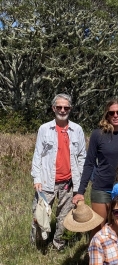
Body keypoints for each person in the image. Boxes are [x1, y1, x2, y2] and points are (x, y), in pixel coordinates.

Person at [73, 99, 118, 238]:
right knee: (99, 228)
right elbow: (89, 163)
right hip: (101, 187)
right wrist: (81, 191)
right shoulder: (98, 134)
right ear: (107, 115)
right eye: (112, 113)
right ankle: (94, 258)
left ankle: (117, 258)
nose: (115, 115)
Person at [30, 93, 86, 251]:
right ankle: (37, 246)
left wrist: (80, 184)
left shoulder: (77, 130)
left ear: (70, 109)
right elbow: (37, 156)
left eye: (66, 107)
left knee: (64, 218)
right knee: (40, 215)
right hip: (46, 182)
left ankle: (58, 245)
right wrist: (37, 179)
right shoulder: (44, 129)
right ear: (53, 108)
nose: (62, 110)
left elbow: (82, 157)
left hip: (68, 183)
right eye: (59, 107)